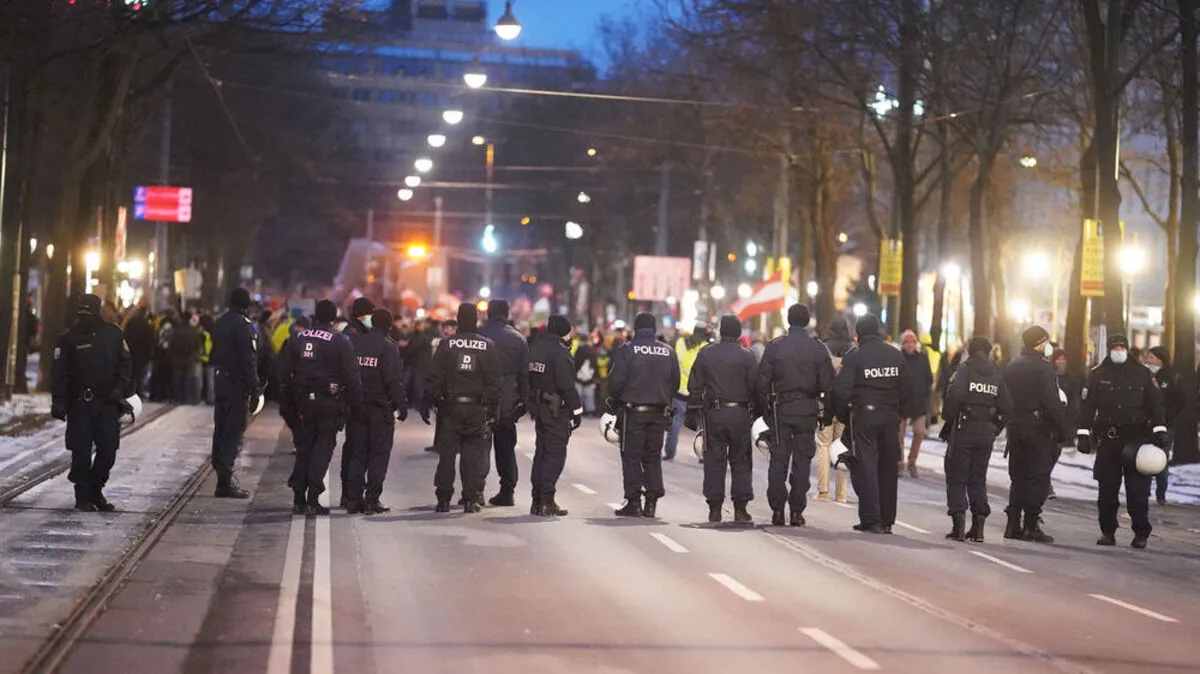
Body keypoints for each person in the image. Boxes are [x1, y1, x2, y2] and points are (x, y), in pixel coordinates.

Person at [1077, 335, 1169, 549]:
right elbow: (1087, 407)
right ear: (1109, 349)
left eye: (1122, 347)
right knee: (1107, 490)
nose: (1118, 350)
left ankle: (1141, 533)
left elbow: (1156, 406)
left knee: (1137, 491)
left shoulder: (1142, 374)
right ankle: (1108, 532)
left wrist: (1159, 431)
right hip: (1109, 440)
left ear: (1127, 349)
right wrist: (1083, 433)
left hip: (1137, 440)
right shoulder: (1098, 375)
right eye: (1115, 347)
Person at [51, 294, 134, 512]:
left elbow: (126, 365)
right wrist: (59, 401)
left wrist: (119, 391)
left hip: (107, 402)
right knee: (81, 451)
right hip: (80, 404)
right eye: (81, 311)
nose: (84, 315)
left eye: (88, 310)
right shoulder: (69, 339)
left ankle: (96, 489)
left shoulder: (114, 334)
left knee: (108, 450)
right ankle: (82, 495)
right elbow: (60, 373)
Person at [278, 299, 362, 515]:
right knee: (322, 447)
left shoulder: (297, 338)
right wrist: (354, 404)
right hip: (329, 402)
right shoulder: (340, 341)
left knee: (304, 446)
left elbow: (283, 372)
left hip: (302, 402)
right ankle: (313, 497)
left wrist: (287, 401)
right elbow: (352, 377)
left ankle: (298, 496)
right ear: (334, 319)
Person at [755, 304, 835, 527]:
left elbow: (762, 382)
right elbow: (828, 385)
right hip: (807, 411)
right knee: (802, 463)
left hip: (781, 411)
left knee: (778, 461)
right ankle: (797, 511)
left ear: (788, 321)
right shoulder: (817, 348)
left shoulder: (776, 346)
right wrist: (826, 416)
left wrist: (763, 414)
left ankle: (778, 509)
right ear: (807, 321)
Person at [832, 313, 908, 534]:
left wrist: (841, 415)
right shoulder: (895, 355)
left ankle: (871, 518)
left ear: (859, 332)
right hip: (890, 417)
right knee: (887, 467)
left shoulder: (856, 356)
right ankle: (887, 519)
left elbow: (842, 389)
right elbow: (907, 388)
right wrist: (899, 412)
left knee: (865, 467)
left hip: (864, 417)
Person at [425, 303, 501, 513]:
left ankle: (443, 499)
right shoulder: (488, 346)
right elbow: (494, 383)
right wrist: (493, 411)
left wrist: (428, 403)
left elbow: (434, 377)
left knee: (447, 456)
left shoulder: (446, 344)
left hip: (450, 409)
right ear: (476, 320)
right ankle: (469, 499)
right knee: (472, 456)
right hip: (476, 409)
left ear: (458, 319)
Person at [607, 312, 680, 518]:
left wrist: (615, 402)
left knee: (632, 457)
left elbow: (615, 383)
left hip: (633, 412)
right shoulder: (668, 351)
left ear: (636, 329)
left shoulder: (628, 350)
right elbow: (674, 383)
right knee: (653, 457)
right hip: (658, 412)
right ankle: (651, 502)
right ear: (654, 329)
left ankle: (633, 502)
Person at [940, 337, 1010, 542]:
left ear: (970, 351)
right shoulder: (996, 373)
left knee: (956, 474)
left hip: (964, 429)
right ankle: (978, 527)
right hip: (985, 433)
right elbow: (1006, 405)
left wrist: (948, 420)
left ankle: (958, 524)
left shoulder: (964, 370)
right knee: (978, 477)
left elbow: (955, 396)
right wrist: (995, 428)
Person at [689, 315, 758, 523]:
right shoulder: (747, 356)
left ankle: (715, 508)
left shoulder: (706, 354)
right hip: (740, 413)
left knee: (714, 462)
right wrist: (757, 414)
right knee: (741, 461)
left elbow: (695, 385)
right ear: (738, 333)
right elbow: (756, 387)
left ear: (721, 331)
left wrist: (694, 412)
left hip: (715, 414)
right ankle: (740, 508)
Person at [1001, 325, 1066, 543]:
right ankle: (1031, 525)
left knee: (1018, 477)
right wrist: (1062, 428)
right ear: (1039, 343)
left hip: (1016, 427)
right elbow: (1051, 401)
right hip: (1038, 429)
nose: (1048, 346)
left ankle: (1012, 524)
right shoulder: (1043, 369)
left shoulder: (1012, 366)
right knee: (1038, 477)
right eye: (1046, 342)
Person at [344, 308, 407, 514]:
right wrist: (401, 405)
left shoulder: (355, 342)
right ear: (389, 326)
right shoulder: (388, 347)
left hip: (357, 406)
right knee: (379, 454)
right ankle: (372, 499)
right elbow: (392, 380)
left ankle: (353, 499)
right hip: (380, 408)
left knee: (358, 453)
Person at [527, 315, 583, 516]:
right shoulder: (559, 352)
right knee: (555, 454)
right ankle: (546, 501)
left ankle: (536, 499)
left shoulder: (536, 347)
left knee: (541, 453)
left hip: (540, 407)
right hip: (555, 409)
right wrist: (577, 410)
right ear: (563, 332)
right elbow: (566, 384)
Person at [209, 289, 263, 499]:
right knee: (233, 430)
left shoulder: (221, 321)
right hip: (235, 384)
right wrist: (255, 389)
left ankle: (220, 472)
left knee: (220, 428)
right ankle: (224, 482)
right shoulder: (244, 325)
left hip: (220, 378)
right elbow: (248, 360)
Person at [478, 299, 530, 507]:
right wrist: (524, 401)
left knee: (479, 445)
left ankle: (476, 490)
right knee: (506, 447)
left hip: (480, 399)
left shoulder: (478, 335)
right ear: (507, 314)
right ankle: (507, 491)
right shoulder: (518, 339)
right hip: (507, 400)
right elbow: (524, 375)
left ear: (488, 313)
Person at [339, 296, 375, 506]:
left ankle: (352, 491)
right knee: (355, 447)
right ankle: (350, 492)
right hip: (354, 400)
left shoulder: (359, 332)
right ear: (362, 314)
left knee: (356, 447)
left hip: (359, 398)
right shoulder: (351, 335)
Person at [816, 316, 853, 503]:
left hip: (827, 400)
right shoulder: (852, 349)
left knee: (823, 444)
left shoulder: (823, 348)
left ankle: (823, 490)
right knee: (842, 445)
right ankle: (841, 493)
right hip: (845, 403)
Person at [1145, 346, 1184, 505]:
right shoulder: (1145, 376)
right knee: (1144, 457)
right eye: (1148, 357)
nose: (1149, 360)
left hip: (1166, 425)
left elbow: (1181, 400)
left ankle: (1161, 493)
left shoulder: (1172, 377)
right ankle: (1143, 491)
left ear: (1161, 360)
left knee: (1161, 459)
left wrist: (1168, 417)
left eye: (1152, 358)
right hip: (1146, 424)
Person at [664, 327, 707, 460]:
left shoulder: (681, 343)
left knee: (675, 423)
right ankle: (703, 455)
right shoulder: (705, 347)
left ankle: (670, 452)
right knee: (703, 425)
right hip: (698, 393)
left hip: (680, 391)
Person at [898, 330, 934, 478]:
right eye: (907, 342)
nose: (910, 345)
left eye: (912, 342)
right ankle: (899, 463)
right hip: (901, 402)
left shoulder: (923, 358)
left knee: (920, 432)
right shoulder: (898, 358)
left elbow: (928, 378)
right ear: (903, 344)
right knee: (898, 435)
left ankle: (912, 461)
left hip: (919, 402)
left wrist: (925, 393)